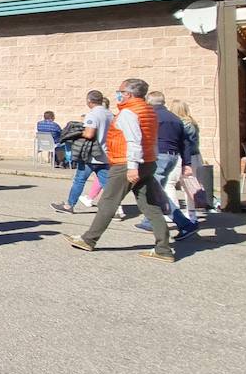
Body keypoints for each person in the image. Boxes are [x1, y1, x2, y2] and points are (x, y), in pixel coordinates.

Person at [67, 78, 175, 262]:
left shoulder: (129, 113)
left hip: (126, 162)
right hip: (147, 161)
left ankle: (89, 239)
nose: (118, 94)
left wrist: (132, 167)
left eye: (120, 91)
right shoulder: (149, 110)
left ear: (128, 94)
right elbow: (150, 138)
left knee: (108, 201)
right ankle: (163, 248)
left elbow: (134, 141)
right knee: (149, 205)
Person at [142, 92, 199, 236]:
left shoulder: (152, 117)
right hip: (173, 157)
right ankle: (177, 222)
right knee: (157, 188)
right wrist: (187, 163)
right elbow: (185, 143)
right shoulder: (176, 119)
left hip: (158, 155)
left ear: (149, 102)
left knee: (155, 190)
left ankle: (177, 223)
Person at [51, 90, 114, 214]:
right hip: (105, 153)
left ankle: (69, 206)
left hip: (90, 154)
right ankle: (116, 208)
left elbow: (89, 134)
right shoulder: (110, 114)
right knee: (106, 182)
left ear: (89, 101)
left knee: (79, 180)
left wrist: (79, 132)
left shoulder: (92, 115)